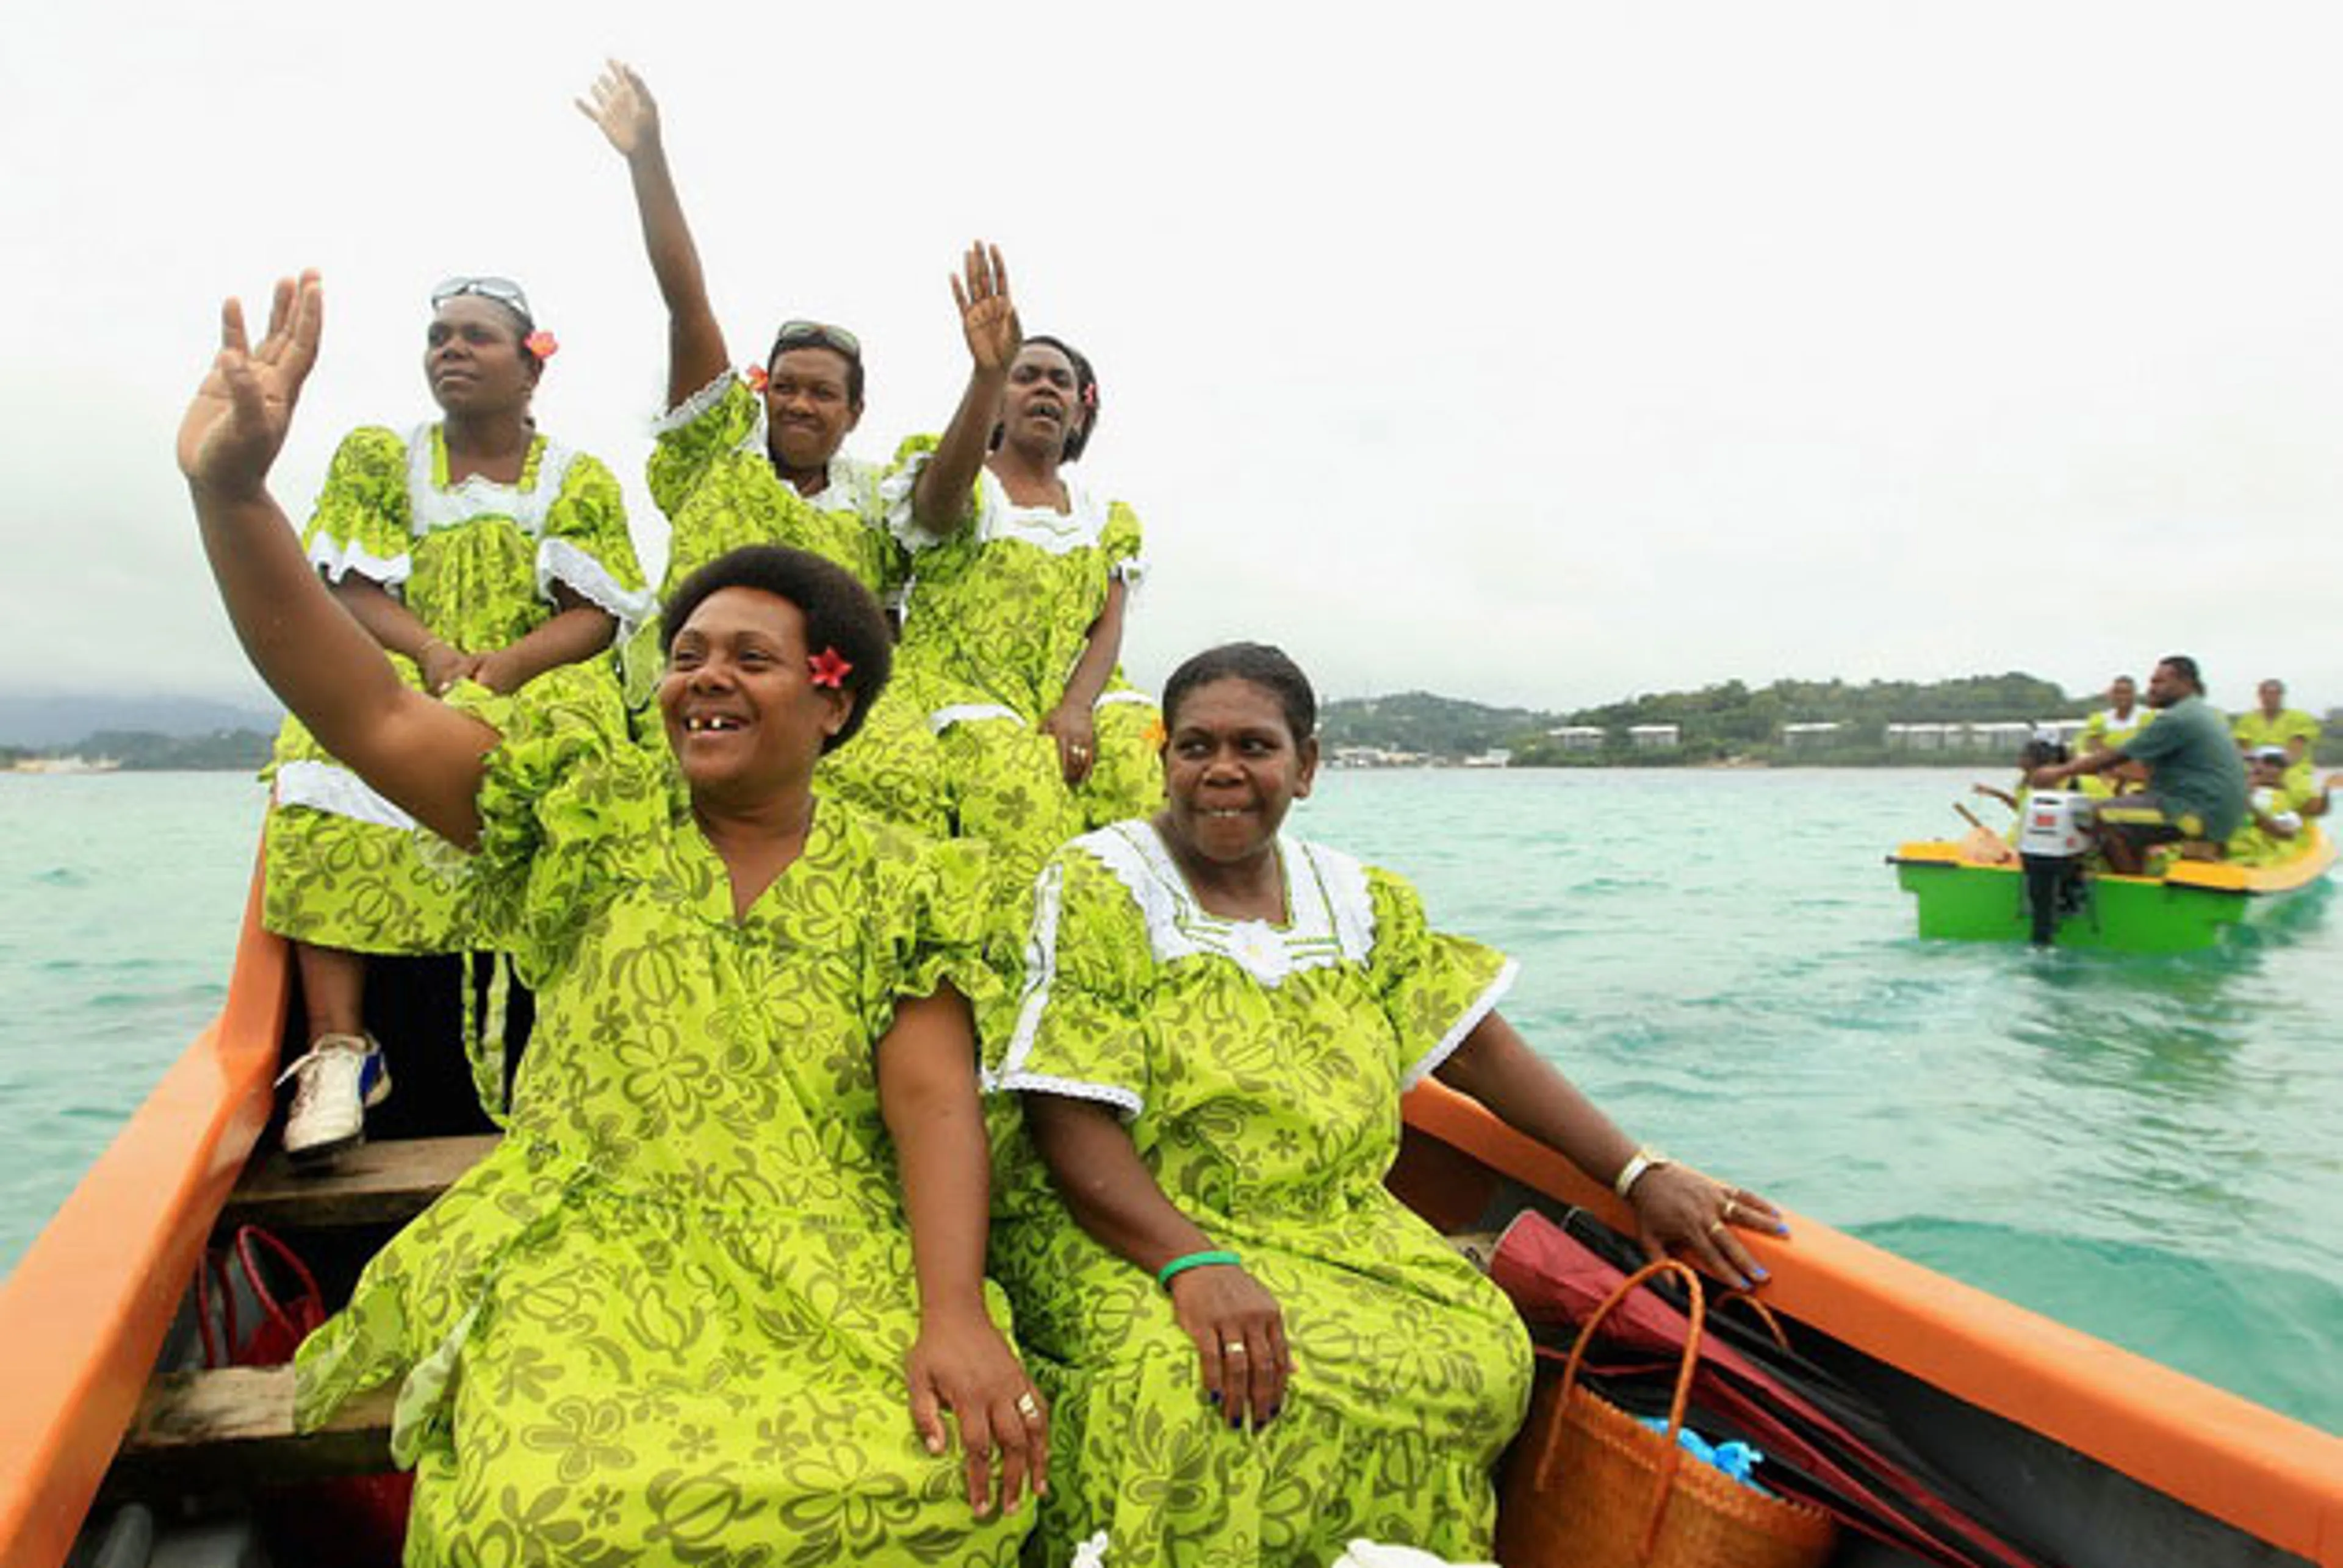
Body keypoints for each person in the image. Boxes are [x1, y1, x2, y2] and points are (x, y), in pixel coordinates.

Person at [180, 273, 1044, 1564]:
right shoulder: (586, 818)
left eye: (752, 658)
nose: (703, 673)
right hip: (594, 1232)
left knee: (931, 1478)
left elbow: (930, 1105)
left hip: (816, 1239)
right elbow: (368, 712)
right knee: (543, 1507)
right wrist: (233, 497)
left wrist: (955, 1308)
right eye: (688, 650)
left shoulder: (905, 881)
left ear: (836, 707)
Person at [985, 642, 1786, 1567]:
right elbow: (1066, 1113)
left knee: (1482, 1356)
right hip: (1128, 1224)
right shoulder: (1100, 882)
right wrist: (1194, 1263)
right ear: (1164, 760)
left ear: (1308, 765)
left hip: (1337, 1226)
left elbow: (1478, 1047)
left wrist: (1636, 1171)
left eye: (1255, 745)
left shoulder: (1361, 899)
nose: (1223, 771)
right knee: (1187, 1377)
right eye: (1195, 746)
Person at [261, 275, 648, 1161]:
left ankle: (581, 1029)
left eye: (477, 337)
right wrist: (435, 656)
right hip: (408, 660)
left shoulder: (574, 477)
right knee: (321, 747)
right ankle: (339, 1048)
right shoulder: (380, 459)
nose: (451, 350)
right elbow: (354, 588)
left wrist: (504, 668)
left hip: (533, 667)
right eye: (440, 336)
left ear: (530, 366)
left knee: (583, 765)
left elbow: (594, 611)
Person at [578, 61, 949, 836]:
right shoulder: (718, 456)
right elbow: (688, 306)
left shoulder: (877, 503)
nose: (799, 404)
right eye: (784, 387)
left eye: (821, 393)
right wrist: (647, 159)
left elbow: (891, 618)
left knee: (907, 793)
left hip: (831, 720)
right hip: (702, 701)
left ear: (854, 413)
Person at [888, 248, 1164, 897]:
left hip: (1078, 687)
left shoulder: (1108, 517)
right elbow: (933, 511)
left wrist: (1076, 706)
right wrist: (984, 372)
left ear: (1079, 411)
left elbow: (1109, 623)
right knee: (1021, 787)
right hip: (963, 686)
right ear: (999, 403)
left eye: (1060, 381)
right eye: (1026, 375)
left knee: (1147, 760)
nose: (1045, 388)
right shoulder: (966, 485)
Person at [2030, 655, 2247, 875]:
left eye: (2159, 682)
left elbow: (2118, 755)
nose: (2151, 689)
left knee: (2097, 816)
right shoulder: (2200, 712)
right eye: (2152, 682)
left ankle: (2131, 891)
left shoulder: (2178, 718)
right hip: (2214, 810)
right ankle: (2137, 878)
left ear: (2186, 683)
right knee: (2125, 816)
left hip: (2193, 811)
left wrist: (2059, 771)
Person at [2073, 675, 2153, 799]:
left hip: (2138, 778)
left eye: (2126, 692)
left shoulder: (2148, 717)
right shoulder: (2099, 720)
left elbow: (2147, 751)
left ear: (2134, 695)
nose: (2122, 697)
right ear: (2111, 695)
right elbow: (2092, 749)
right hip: (2105, 775)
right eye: (2118, 692)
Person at [2225, 746, 2306, 866]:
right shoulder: (2233, 787)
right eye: (2267, 764)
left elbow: (2287, 834)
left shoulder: (2283, 797)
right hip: (2227, 855)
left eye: (2277, 765)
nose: (2272, 769)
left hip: (2261, 860)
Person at [2231, 677, 2320, 766]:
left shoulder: (2300, 718)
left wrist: (2275, 766)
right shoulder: (2247, 720)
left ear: (2281, 695)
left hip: (2292, 772)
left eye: (2274, 694)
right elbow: (2245, 749)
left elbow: (2294, 753)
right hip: (2257, 770)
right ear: (2259, 696)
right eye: (2265, 693)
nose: (2269, 698)